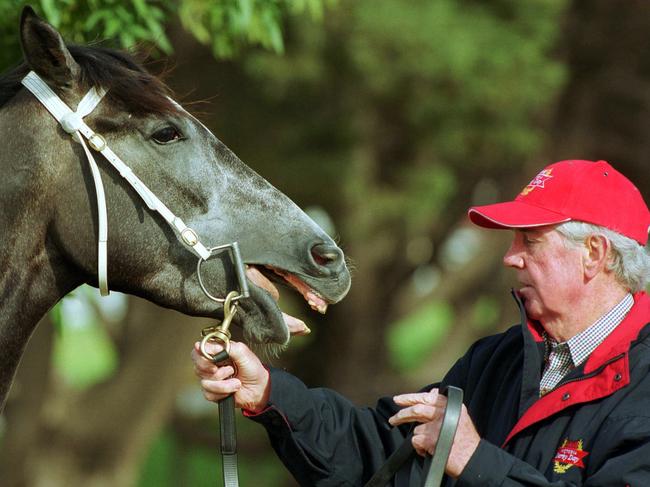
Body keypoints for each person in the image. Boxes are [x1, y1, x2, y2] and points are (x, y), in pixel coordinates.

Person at [192, 159, 650, 486]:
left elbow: (461, 455)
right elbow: (378, 452)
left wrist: (472, 460)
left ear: (594, 254)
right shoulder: (498, 358)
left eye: (530, 241)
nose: (511, 258)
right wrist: (270, 395)